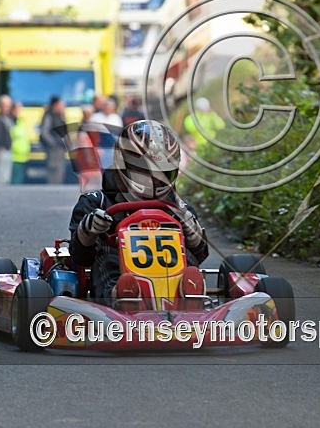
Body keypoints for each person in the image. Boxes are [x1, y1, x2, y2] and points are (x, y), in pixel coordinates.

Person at [68, 120, 209, 305]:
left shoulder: (179, 207)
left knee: (188, 259)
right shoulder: (97, 202)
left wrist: (193, 235)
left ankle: (191, 294)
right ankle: (121, 294)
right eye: (144, 173)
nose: (154, 181)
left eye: (163, 174)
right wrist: (88, 231)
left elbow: (200, 254)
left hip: (173, 273)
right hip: (119, 273)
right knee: (107, 256)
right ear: (123, 165)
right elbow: (80, 257)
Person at [39, 95, 68, 184]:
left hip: (60, 148)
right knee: (54, 171)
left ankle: (57, 189)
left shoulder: (59, 116)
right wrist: (54, 143)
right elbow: (44, 133)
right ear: (55, 105)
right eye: (61, 105)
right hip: (54, 149)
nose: (63, 107)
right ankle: (52, 190)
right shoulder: (49, 116)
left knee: (60, 171)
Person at [9, 101, 30, 184]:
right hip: (14, 157)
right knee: (14, 181)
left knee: (19, 181)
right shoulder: (10, 122)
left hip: (23, 157)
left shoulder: (20, 122)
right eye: (17, 110)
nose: (19, 112)